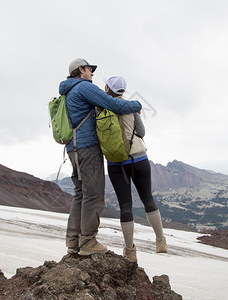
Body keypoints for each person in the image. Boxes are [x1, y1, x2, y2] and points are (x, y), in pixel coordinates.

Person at [59, 58, 142, 256]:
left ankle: (73, 241)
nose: (92, 73)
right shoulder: (84, 87)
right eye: (90, 69)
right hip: (87, 148)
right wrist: (137, 104)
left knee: (80, 194)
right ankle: (88, 241)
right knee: (94, 195)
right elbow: (114, 105)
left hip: (74, 149)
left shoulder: (68, 90)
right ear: (81, 70)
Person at [104, 75, 167, 263]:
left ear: (108, 88)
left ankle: (130, 251)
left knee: (125, 205)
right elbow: (141, 132)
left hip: (116, 163)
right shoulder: (131, 107)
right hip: (139, 158)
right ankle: (160, 241)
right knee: (148, 198)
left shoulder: (101, 108)